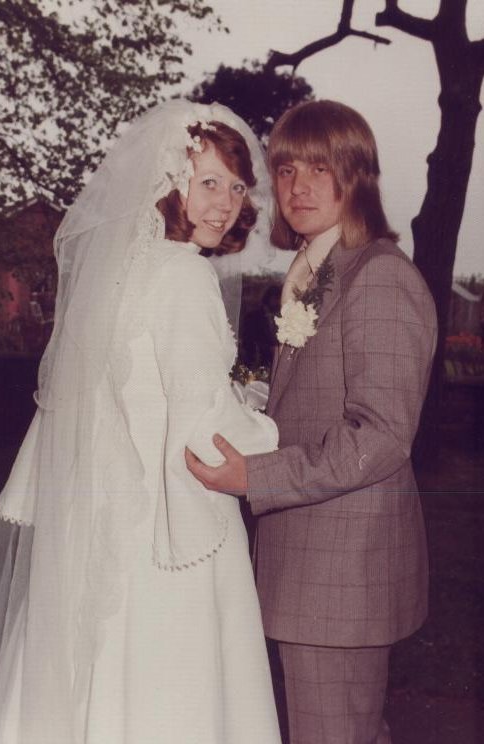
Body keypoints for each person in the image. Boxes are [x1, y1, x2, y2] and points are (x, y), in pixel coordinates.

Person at [0, 100, 282, 744]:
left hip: (103, 519)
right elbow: (205, 428)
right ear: (168, 184)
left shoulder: (120, 273)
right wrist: (265, 426)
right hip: (172, 521)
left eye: (235, 186)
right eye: (207, 183)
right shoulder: (184, 278)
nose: (225, 202)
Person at [186, 99, 438, 744]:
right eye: (287, 170)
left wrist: (255, 474)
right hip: (306, 567)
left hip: (342, 576)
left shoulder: (380, 277)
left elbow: (381, 436)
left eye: (319, 170)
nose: (298, 188)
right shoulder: (317, 268)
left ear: (356, 175)